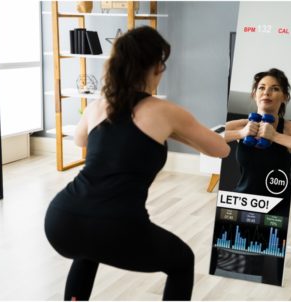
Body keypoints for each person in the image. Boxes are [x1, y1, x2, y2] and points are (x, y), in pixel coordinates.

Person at [44, 26, 230, 301]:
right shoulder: (165, 110)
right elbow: (221, 149)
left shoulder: (101, 104)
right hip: (116, 225)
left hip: (62, 219)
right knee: (182, 261)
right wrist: (175, 132)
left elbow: (80, 140)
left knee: (88, 250)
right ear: (155, 67)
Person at [224, 68, 291, 209]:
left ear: (285, 97)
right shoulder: (245, 125)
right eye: (261, 88)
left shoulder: (290, 128)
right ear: (254, 94)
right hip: (242, 201)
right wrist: (241, 133)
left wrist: (275, 135)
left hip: (277, 205)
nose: (266, 92)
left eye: (275, 89)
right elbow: (213, 135)